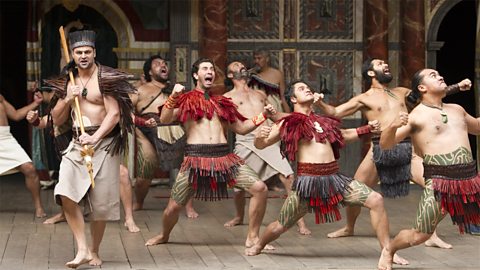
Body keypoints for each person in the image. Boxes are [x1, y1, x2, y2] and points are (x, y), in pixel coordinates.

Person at [316, 58, 470, 251]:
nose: (386, 65)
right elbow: (336, 111)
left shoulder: (401, 92)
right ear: (371, 73)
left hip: (407, 147)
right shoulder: (364, 98)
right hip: (379, 148)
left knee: (435, 186)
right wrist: (321, 103)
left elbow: (428, 93)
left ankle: (430, 233)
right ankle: (349, 227)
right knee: (357, 188)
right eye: (380, 64)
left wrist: (457, 86)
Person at [245, 80, 390, 261]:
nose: (307, 89)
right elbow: (263, 144)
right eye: (301, 88)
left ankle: (387, 251)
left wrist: (367, 129)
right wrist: (259, 137)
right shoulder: (287, 122)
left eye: (308, 87)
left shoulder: (322, 120)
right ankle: (259, 244)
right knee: (280, 226)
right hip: (308, 184)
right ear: (293, 99)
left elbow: (343, 135)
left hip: (334, 180)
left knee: (376, 199)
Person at [145, 58, 274, 248]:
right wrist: (173, 96)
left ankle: (253, 236)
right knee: (173, 207)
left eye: (212, 69)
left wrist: (264, 115)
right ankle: (164, 235)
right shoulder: (185, 99)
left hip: (224, 159)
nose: (210, 72)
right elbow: (164, 119)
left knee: (260, 189)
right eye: (205, 69)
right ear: (196, 75)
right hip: (195, 160)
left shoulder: (223, 102)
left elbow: (242, 128)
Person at [46, 30, 135, 268]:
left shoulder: (106, 78)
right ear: (72, 55)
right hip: (77, 144)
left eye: (87, 52)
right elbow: (56, 117)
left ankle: (94, 250)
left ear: (94, 52)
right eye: (78, 52)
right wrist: (66, 98)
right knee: (65, 191)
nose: (83, 56)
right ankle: (82, 249)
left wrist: (94, 137)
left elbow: (114, 115)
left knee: (100, 204)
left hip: (104, 143)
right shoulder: (68, 80)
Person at [377, 68, 480, 270]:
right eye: (433, 75)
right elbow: (385, 145)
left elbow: (476, 127)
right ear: (422, 87)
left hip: (469, 180)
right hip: (440, 183)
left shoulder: (457, 109)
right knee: (419, 235)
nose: (440, 76)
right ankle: (389, 250)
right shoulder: (417, 117)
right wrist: (391, 126)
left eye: (440, 74)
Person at [223, 61, 310, 235]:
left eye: (242, 64)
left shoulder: (260, 94)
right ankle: (239, 216)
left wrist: (295, 118)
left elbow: (273, 114)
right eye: (236, 65)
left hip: (267, 136)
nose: (241, 66)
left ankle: (300, 222)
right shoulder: (227, 98)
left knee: (288, 176)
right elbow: (229, 125)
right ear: (230, 75)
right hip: (245, 139)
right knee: (239, 186)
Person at [26, 104, 140, 232]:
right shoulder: (69, 97)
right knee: (67, 181)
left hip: (103, 144)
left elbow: (121, 114)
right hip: (76, 144)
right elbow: (46, 121)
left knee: (123, 174)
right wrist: (35, 120)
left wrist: (144, 122)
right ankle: (65, 213)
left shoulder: (104, 95)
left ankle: (129, 219)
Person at [131, 55, 197, 218]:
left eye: (164, 63)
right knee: (144, 171)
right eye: (157, 64)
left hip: (172, 130)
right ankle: (139, 201)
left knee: (186, 167)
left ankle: (188, 206)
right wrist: (141, 123)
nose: (163, 65)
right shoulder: (140, 89)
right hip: (146, 131)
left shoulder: (177, 90)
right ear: (149, 72)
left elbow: (187, 113)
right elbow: (125, 112)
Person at [0, 90, 46, 218]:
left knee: (29, 168)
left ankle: (39, 207)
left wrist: (35, 103)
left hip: (5, 138)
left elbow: (15, 115)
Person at [249, 48, 290, 113]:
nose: (256, 61)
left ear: (267, 59)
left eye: (259, 58)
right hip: (256, 110)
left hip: (274, 110)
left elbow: (283, 97)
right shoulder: (250, 74)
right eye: (255, 58)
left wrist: (288, 116)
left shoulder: (277, 74)